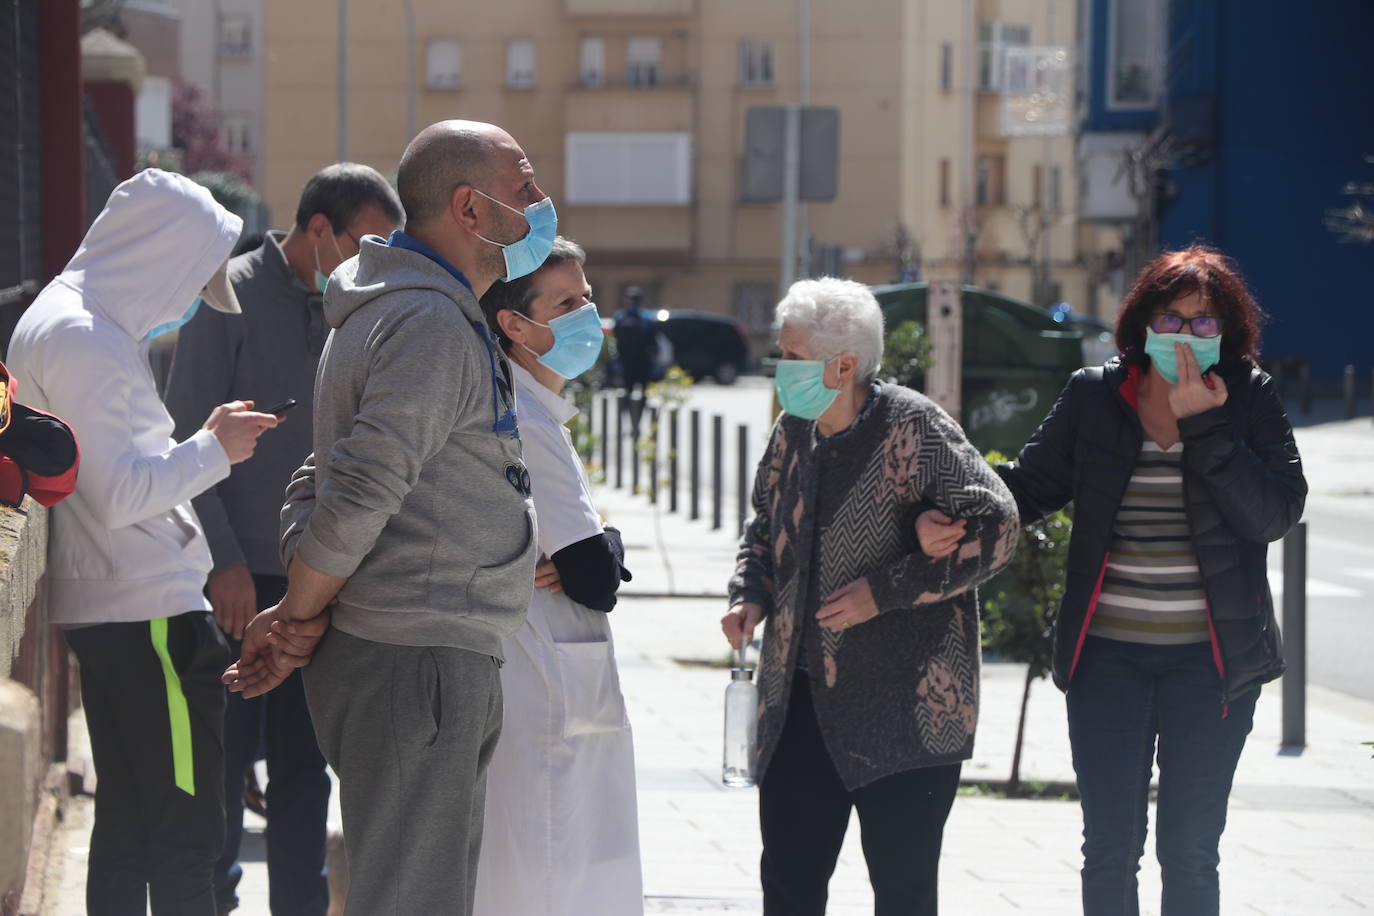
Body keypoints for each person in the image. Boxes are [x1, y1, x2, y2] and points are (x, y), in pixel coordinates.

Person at [917, 245, 1305, 915]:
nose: (1186, 334)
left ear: (1230, 333)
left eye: (1205, 322)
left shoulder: (1246, 399)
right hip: (1107, 661)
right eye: (1172, 318)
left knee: (1190, 850)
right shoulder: (1095, 395)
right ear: (1143, 322)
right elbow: (1029, 487)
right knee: (1109, 849)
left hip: (1212, 666)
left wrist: (1205, 424)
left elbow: (1274, 513)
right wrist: (948, 509)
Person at [223, 120, 549, 915]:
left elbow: (319, 472)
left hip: (426, 655)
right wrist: (296, 616)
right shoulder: (428, 323)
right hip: (419, 660)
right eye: (525, 185)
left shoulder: (398, 309)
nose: (541, 204)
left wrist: (297, 611)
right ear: (470, 209)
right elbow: (361, 487)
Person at [6, 169, 287, 914]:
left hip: (131, 611)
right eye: (193, 280)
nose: (192, 302)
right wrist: (214, 447)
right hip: (146, 616)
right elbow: (121, 491)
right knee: (187, 830)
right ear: (161, 256)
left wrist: (205, 443)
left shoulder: (83, 324)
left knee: (134, 825)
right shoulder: (82, 335)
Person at [720, 277, 1018, 916]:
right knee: (790, 888)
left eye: (793, 356)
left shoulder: (913, 426)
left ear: (844, 365)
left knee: (904, 895)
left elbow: (998, 526)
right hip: (798, 702)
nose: (780, 368)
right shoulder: (792, 431)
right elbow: (762, 526)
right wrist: (750, 594)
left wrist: (884, 591)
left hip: (907, 708)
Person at [165, 163, 403, 916]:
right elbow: (183, 439)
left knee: (308, 771)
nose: (378, 260)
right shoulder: (226, 295)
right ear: (318, 229)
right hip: (234, 585)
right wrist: (225, 564)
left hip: (322, 586)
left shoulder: (363, 304)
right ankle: (216, 903)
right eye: (367, 241)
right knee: (226, 764)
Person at [474, 237, 642, 915]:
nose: (586, 315)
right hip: (545, 679)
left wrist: (599, 548)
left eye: (588, 297)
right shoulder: (526, 418)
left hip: (555, 672)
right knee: (551, 872)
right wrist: (607, 542)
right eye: (565, 303)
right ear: (515, 325)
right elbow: (594, 575)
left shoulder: (537, 408)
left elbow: (585, 564)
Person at [612, 286, 659, 428]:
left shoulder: (646, 318)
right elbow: (616, 340)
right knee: (626, 392)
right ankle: (627, 421)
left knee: (643, 393)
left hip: (643, 362)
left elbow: (652, 340)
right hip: (627, 362)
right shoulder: (620, 317)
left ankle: (638, 420)